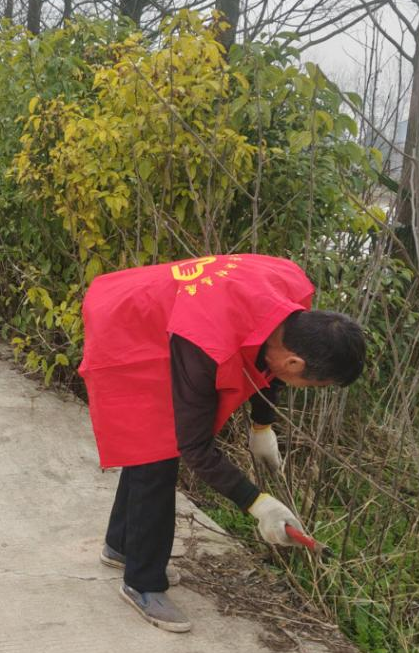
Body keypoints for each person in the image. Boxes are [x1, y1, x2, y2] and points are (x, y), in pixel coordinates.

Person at [78, 254, 365, 632]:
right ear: (296, 364)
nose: (306, 388)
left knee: (156, 444)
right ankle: (142, 583)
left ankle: (122, 546)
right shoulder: (207, 346)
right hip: (129, 325)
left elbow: (266, 364)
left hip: (173, 316)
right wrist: (258, 503)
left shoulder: (290, 293)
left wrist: (262, 426)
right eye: (314, 384)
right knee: (156, 449)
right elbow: (195, 448)